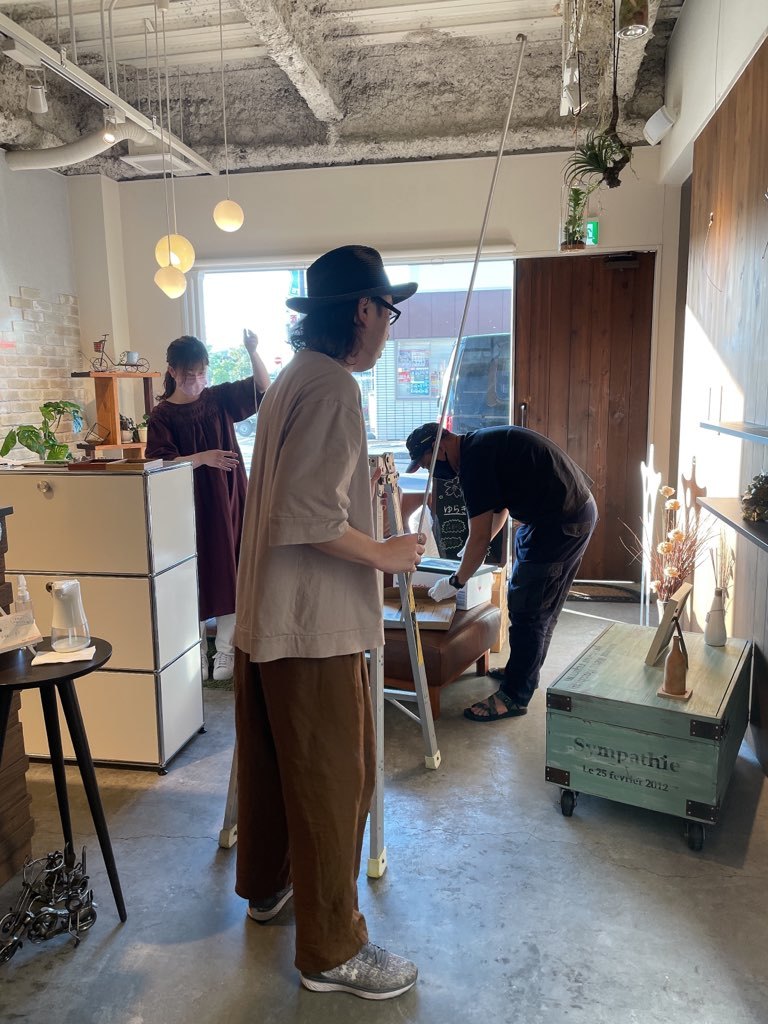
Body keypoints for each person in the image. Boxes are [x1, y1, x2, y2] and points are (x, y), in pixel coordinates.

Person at [233, 245, 425, 1000]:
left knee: (276, 769)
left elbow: (299, 497)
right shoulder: (334, 387)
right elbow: (306, 515)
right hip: (312, 627)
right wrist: (384, 551)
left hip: (269, 618)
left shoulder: (293, 378)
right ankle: (332, 950)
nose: (389, 328)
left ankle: (271, 887)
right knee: (335, 783)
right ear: (363, 310)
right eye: (389, 312)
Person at [405, 422, 597, 722]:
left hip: (561, 522)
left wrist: (456, 581)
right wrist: (470, 548)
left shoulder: (474, 462)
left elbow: (480, 536)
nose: (432, 472)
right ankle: (522, 670)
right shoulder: (479, 446)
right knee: (531, 600)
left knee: (531, 609)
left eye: (428, 464)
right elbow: (500, 508)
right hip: (558, 515)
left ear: (440, 446)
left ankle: (515, 695)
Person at [146, 330, 269, 681]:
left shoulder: (218, 398)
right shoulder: (162, 416)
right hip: (186, 505)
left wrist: (252, 351)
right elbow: (159, 463)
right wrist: (203, 457)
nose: (197, 381)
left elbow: (263, 388)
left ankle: (226, 651)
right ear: (172, 371)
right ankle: (195, 650)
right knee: (192, 573)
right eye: (189, 374)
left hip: (229, 499)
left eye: (201, 373)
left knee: (231, 569)